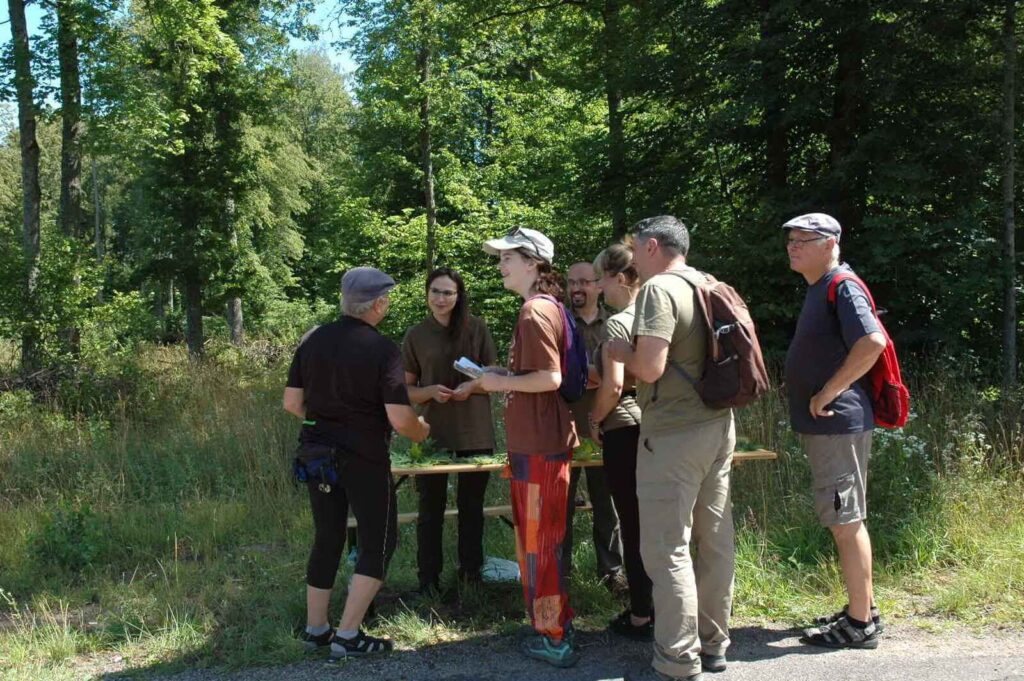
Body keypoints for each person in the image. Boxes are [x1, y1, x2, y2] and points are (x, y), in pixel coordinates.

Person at [607, 216, 735, 681]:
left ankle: (678, 659)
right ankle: (714, 642)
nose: (635, 262)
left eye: (637, 251)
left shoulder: (661, 290)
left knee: (667, 548)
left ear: (654, 247)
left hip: (674, 434)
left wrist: (620, 353)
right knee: (714, 539)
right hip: (719, 425)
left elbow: (651, 366)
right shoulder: (709, 283)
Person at [283, 267, 430, 660]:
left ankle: (316, 630)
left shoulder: (312, 342)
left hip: (317, 454)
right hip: (364, 457)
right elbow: (401, 419)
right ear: (378, 304)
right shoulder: (383, 350)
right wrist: (422, 432)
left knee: (327, 536)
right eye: (388, 301)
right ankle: (347, 636)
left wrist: (329, 424)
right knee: (378, 541)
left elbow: (292, 404)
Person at [781, 213, 887, 649]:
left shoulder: (840, 286)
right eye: (790, 240)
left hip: (837, 423)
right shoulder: (821, 287)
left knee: (846, 520)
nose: (792, 246)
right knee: (845, 517)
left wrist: (829, 390)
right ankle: (863, 608)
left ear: (830, 244)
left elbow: (873, 341)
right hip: (831, 426)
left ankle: (860, 625)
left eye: (803, 239)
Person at [478, 227, 581, 668]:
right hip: (540, 445)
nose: (500, 265)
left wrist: (497, 382)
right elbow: (539, 371)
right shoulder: (544, 307)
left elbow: (550, 379)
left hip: (539, 448)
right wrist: (501, 371)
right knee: (544, 542)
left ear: (534, 263)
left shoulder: (534, 312)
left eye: (508, 258)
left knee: (539, 545)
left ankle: (552, 636)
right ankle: (556, 622)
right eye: (500, 257)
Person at [402, 267, 497, 594]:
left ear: (459, 296)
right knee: (431, 511)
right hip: (432, 434)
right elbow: (405, 391)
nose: (441, 299)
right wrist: (429, 392)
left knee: (472, 510)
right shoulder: (416, 335)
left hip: (475, 432)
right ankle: (427, 581)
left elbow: (496, 381)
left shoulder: (477, 329)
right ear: (427, 294)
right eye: (436, 291)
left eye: (448, 293)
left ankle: (471, 578)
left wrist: (472, 387)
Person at [589, 244, 653, 642]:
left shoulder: (618, 323)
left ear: (621, 279)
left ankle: (642, 614)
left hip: (623, 426)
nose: (597, 287)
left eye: (600, 279)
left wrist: (595, 417)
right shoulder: (658, 316)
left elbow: (613, 385)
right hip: (656, 425)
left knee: (631, 521)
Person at [564, 261, 626, 591]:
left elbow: (627, 373)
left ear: (598, 286)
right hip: (565, 428)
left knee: (608, 505)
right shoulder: (559, 321)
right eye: (571, 282)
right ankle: (562, 577)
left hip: (606, 426)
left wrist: (599, 377)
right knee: (562, 508)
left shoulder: (615, 323)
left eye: (584, 282)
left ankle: (612, 573)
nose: (577, 288)